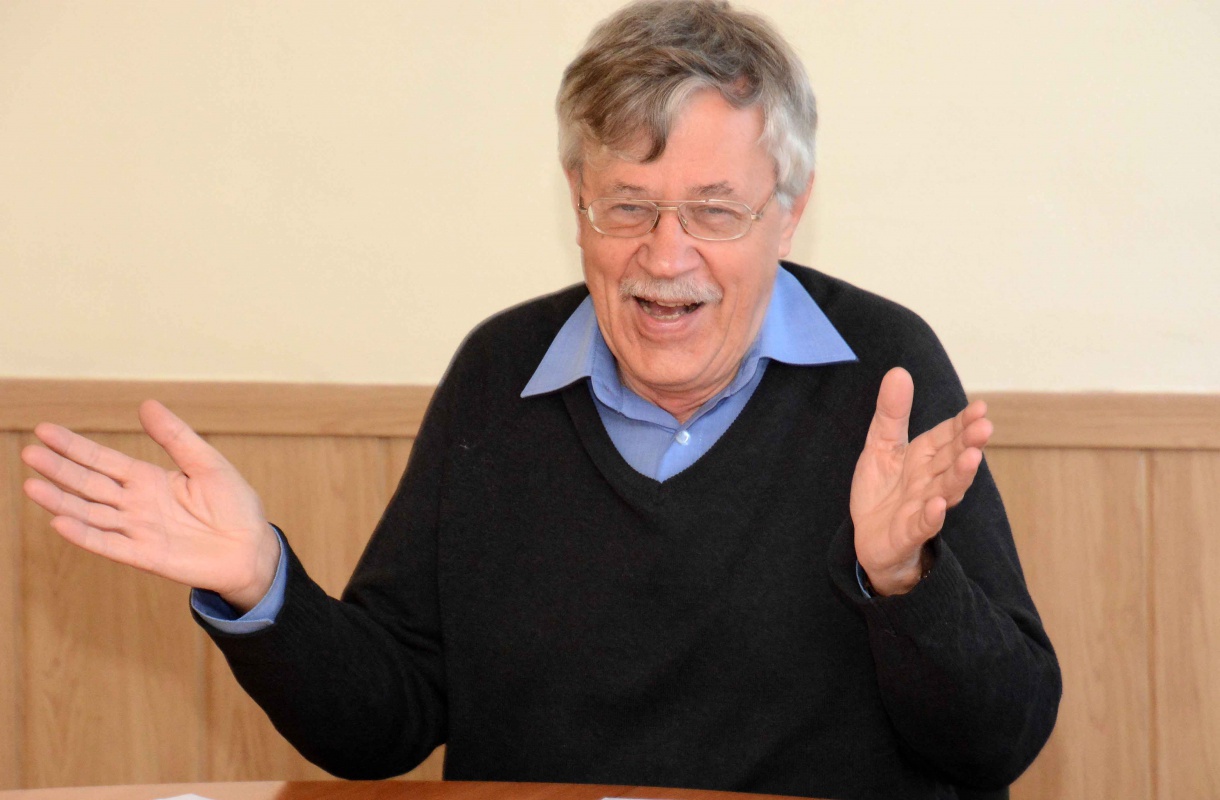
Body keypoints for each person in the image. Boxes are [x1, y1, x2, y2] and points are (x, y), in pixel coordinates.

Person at [20, 1, 1061, 798]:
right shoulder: (499, 374)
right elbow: (381, 725)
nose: (666, 256)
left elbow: (998, 739)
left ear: (787, 213)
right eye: (628, 207)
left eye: (714, 211)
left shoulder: (883, 372)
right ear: (576, 202)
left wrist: (903, 578)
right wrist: (264, 588)